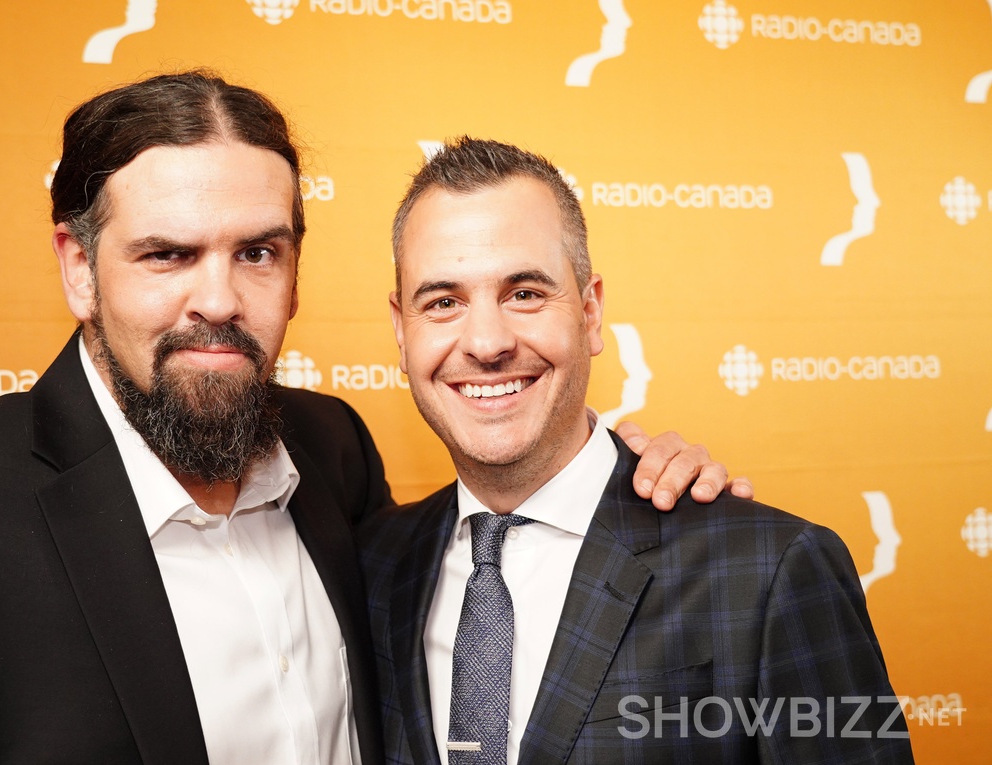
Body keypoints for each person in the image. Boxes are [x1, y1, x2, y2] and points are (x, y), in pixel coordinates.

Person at [0, 73, 740, 765]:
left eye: (257, 251)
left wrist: (618, 481)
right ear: (79, 269)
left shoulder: (332, 451)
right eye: (167, 255)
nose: (217, 298)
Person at [361, 137, 913, 764]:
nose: (486, 342)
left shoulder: (769, 570)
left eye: (525, 294)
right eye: (443, 303)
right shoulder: (375, 566)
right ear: (402, 332)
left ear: (591, 313)